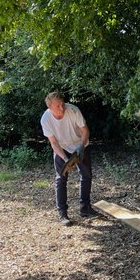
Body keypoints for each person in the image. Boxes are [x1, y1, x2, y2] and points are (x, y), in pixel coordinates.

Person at [41, 92, 94, 225]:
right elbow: (54, 143)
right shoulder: (45, 119)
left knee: (86, 176)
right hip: (62, 147)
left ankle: (85, 208)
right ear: (49, 107)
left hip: (80, 144)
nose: (62, 108)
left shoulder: (73, 110)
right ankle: (63, 213)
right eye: (57, 106)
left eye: (62, 104)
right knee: (61, 179)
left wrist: (81, 147)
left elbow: (85, 130)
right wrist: (65, 159)